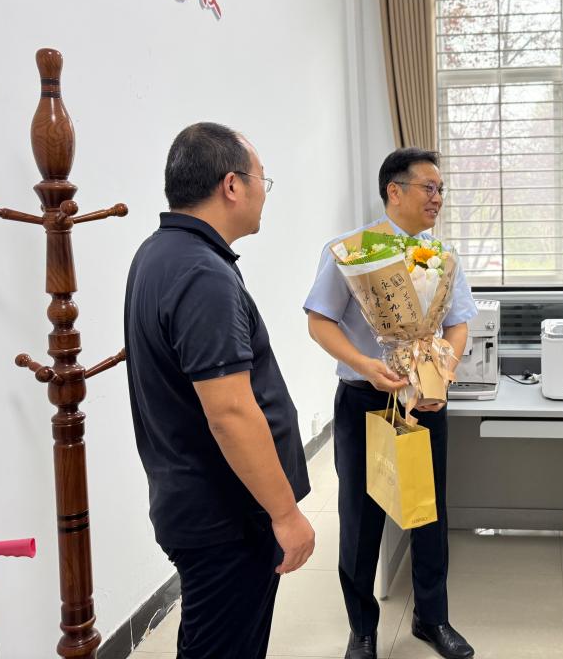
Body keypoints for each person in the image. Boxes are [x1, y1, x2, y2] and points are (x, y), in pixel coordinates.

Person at [125, 122, 316, 659]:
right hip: (226, 517)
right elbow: (230, 412)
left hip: (196, 502)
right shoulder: (202, 273)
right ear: (232, 185)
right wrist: (285, 515)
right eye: (262, 181)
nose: (263, 195)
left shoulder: (159, 253)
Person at [305, 148, 477, 659]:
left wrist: (443, 372)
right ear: (394, 191)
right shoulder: (352, 251)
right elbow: (319, 321)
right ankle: (362, 629)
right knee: (361, 517)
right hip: (364, 399)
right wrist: (365, 364)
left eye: (441, 190)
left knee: (427, 511)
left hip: (425, 400)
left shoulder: (440, 255)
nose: (438, 198)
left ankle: (432, 618)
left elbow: (458, 323)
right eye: (429, 187)